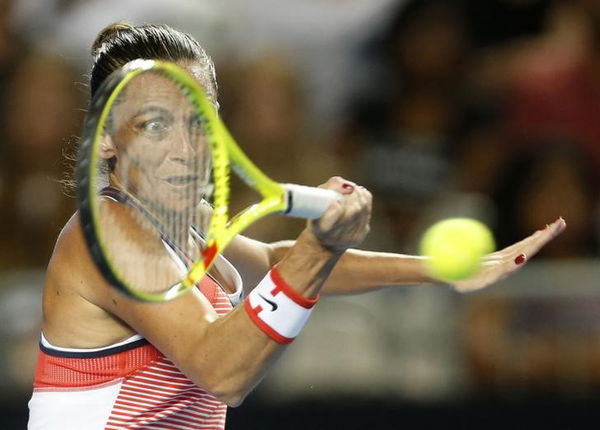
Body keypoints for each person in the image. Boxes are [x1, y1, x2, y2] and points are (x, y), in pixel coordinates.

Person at [27, 23, 566, 430]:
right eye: (154, 125)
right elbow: (223, 371)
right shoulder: (108, 234)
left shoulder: (182, 224)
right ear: (106, 139)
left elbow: (275, 261)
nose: (186, 148)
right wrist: (319, 248)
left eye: (201, 122)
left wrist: (443, 272)